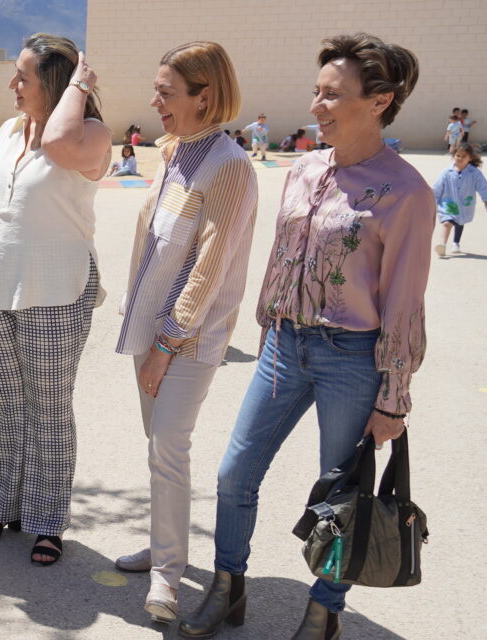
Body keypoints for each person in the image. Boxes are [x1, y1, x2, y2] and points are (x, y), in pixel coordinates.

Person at [181, 33, 432, 640]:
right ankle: (227, 587)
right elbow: (278, 255)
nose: (317, 106)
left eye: (332, 95)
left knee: (341, 501)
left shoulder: (407, 192)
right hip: (282, 348)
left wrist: (392, 397)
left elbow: (404, 303)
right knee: (235, 473)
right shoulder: (303, 169)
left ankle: (325, 612)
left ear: (379, 101)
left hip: (352, 358)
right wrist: (268, 325)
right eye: (315, 93)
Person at [111, 41, 258, 624]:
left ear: (205, 96)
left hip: (186, 339)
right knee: (159, 449)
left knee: (169, 447)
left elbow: (210, 265)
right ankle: (165, 544)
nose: (155, 102)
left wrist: (167, 345)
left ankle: (166, 576)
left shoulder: (230, 166)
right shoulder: (174, 151)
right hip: (151, 330)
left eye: (167, 92)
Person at [0, 34, 110, 567]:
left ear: (55, 83)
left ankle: (47, 522)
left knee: (48, 409)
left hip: (56, 293)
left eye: (23, 77)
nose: (12, 85)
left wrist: (80, 86)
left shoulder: (89, 134)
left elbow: (60, 145)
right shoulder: (5, 132)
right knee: (6, 406)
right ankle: (3, 507)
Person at [432, 142, 487, 256]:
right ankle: (442, 244)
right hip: (449, 201)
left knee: (460, 221)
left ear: (470, 158)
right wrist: (432, 202)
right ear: (454, 156)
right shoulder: (446, 173)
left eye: (463, 156)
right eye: (457, 155)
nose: (459, 158)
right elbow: (436, 188)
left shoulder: (474, 173)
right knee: (447, 221)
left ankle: (456, 243)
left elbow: (483, 186)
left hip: (465, 203)